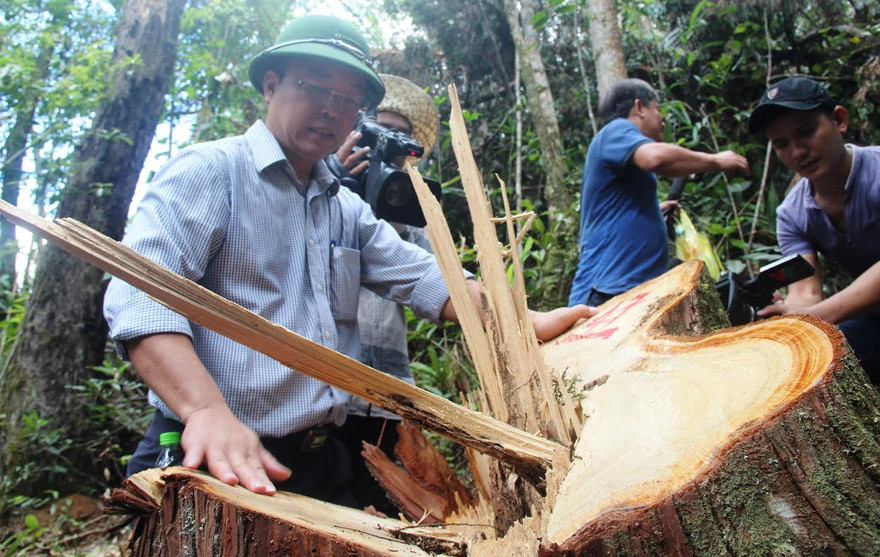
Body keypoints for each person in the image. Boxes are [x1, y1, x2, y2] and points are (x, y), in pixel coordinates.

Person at [103, 14, 595, 503]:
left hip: (314, 461)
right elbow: (140, 295)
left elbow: (424, 276)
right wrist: (205, 411)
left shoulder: (343, 207)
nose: (330, 110)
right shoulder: (212, 172)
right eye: (314, 88)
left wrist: (520, 320)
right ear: (271, 85)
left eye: (347, 100)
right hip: (211, 453)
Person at [331, 73, 440, 513]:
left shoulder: (409, 205)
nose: (389, 144)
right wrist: (338, 178)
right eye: (383, 131)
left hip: (385, 382)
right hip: (329, 380)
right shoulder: (324, 183)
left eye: (401, 137)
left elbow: (435, 275)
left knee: (375, 500)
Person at [568, 78, 750, 308]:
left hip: (626, 289)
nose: (662, 118)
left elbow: (615, 208)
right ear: (638, 107)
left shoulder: (622, 154)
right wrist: (715, 160)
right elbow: (655, 158)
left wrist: (657, 210)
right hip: (606, 289)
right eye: (657, 108)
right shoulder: (617, 130)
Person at [750, 76, 880, 384]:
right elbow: (806, 291)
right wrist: (786, 318)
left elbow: (820, 311)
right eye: (781, 144)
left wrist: (820, 315)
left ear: (839, 120)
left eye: (806, 132)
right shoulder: (793, 213)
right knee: (810, 360)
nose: (797, 152)